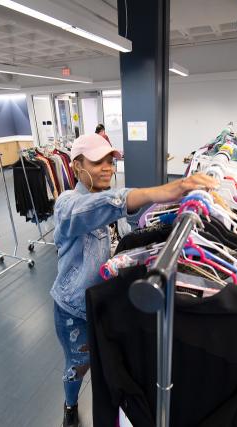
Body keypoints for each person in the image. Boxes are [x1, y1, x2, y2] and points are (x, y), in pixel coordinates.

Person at [52, 133, 217, 427]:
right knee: (77, 366)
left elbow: (129, 228)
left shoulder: (103, 198)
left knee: (111, 365)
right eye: (98, 161)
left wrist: (169, 219)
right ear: (77, 165)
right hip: (73, 309)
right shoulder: (68, 204)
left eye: (111, 161)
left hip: (104, 302)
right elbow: (95, 208)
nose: (107, 167)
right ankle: (70, 403)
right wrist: (161, 191)